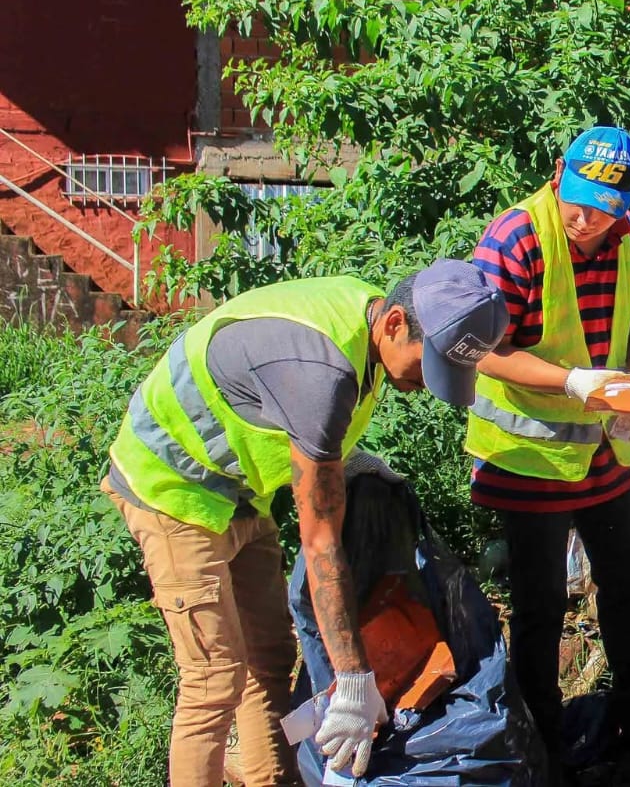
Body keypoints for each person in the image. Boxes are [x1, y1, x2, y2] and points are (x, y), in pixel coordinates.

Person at [104, 260, 507, 786]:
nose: (424, 385)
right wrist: (353, 683)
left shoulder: (365, 320)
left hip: (241, 491)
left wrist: (345, 460)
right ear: (394, 324)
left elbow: (297, 414)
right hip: (172, 487)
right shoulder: (323, 372)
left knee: (269, 659)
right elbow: (321, 547)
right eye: (424, 365)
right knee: (213, 679)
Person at [466, 126, 630, 769]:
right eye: (578, 205)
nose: (586, 221)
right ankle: (543, 749)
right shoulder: (516, 237)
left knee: (627, 585)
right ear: (558, 173)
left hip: (609, 451)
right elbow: (480, 350)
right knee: (540, 607)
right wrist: (572, 381)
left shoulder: (627, 238)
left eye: (604, 212)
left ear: (626, 205)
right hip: (530, 456)